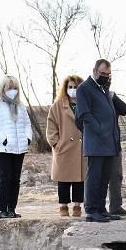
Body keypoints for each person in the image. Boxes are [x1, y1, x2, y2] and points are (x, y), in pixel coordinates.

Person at [76, 59, 126, 223]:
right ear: (94, 71)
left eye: (108, 74)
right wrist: (100, 130)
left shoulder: (104, 89)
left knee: (105, 177)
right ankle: (91, 211)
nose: (105, 77)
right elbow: (84, 115)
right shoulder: (84, 88)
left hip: (109, 142)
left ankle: (101, 208)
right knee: (94, 177)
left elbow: (120, 111)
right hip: (96, 141)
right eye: (102, 74)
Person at [0, 75, 33, 219]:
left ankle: (12, 208)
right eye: (9, 87)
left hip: (19, 148)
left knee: (15, 179)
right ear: (3, 88)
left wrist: (28, 139)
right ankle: (2, 210)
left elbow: (27, 124)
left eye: (15, 88)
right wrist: (4, 140)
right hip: (1, 149)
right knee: (6, 177)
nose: (12, 90)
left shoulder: (20, 106)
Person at [46, 74, 86, 217]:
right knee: (63, 179)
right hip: (64, 147)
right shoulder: (58, 105)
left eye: (76, 87)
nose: (73, 89)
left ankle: (77, 206)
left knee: (79, 179)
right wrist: (55, 143)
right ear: (65, 88)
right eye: (70, 87)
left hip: (81, 148)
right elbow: (51, 126)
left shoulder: (86, 103)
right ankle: (63, 206)